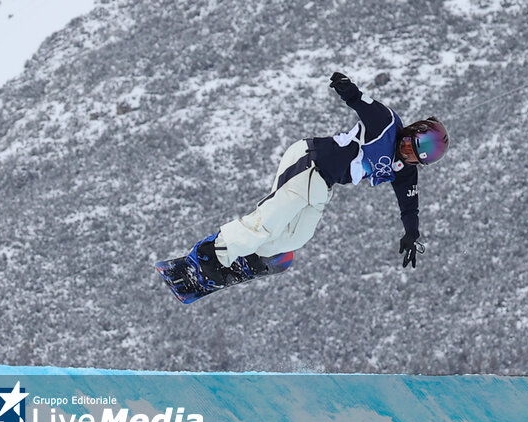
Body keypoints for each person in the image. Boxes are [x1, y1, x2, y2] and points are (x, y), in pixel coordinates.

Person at [186, 72, 449, 289]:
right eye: (407, 145)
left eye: (414, 157)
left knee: (295, 237)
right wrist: (346, 88)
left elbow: (409, 205)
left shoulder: (404, 170)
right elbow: (360, 101)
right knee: (270, 218)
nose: (405, 154)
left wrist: (411, 233)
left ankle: (249, 255)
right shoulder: (386, 124)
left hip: (323, 184)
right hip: (310, 161)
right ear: (409, 131)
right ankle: (212, 254)